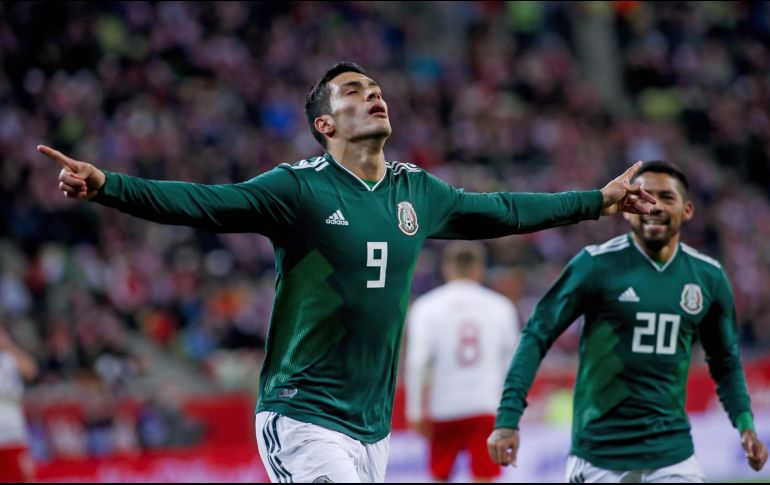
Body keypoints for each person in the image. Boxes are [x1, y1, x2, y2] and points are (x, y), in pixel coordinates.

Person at [39, 62, 655, 483]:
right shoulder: (297, 188)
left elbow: (506, 211)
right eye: (355, 91)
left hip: (372, 425)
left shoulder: (418, 191)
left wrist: (595, 202)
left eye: (376, 88)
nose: (374, 94)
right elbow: (203, 202)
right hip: (302, 413)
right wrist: (108, 186)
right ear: (324, 124)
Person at [487, 161, 768, 482]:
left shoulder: (708, 277)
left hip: (673, 454)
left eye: (666, 197)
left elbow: (725, 361)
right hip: (599, 457)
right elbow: (537, 334)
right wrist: (508, 419)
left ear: (687, 210)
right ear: (625, 209)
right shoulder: (594, 265)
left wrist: (745, 424)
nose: (654, 206)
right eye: (643, 197)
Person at [405, 241, 519, 482]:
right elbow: (513, 364)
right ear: (479, 268)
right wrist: (512, 411)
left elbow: (417, 361)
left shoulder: (427, 307)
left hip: (444, 405)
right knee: (485, 475)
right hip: (486, 403)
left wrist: (414, 409)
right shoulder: (500, 306)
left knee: (440, 475)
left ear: (447, 268)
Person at [0, 326, 38, 482]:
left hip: (14, 431)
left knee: (23, 477)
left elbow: (31, 370)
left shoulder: (9, 358)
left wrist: (8, 346)